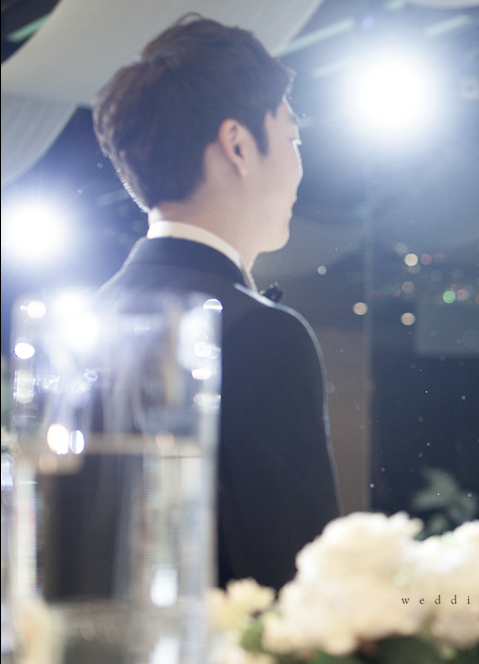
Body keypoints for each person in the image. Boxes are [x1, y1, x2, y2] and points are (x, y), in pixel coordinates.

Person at [93, 16, 342, 589]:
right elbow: (297, 584)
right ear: (237, 145)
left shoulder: (94, 317)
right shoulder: (259, 333)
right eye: (292, 138)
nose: (298, 166)